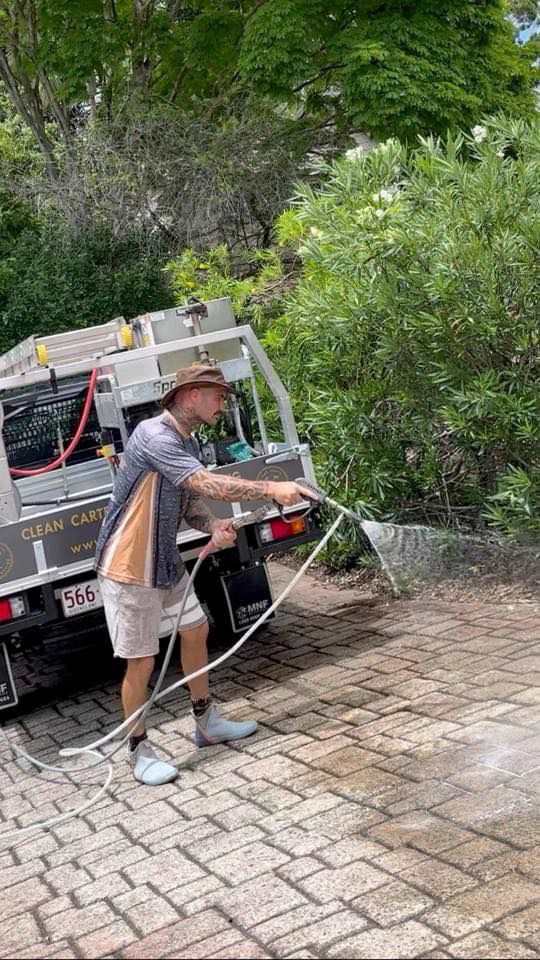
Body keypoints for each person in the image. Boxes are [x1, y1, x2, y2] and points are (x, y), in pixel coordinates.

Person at [95, 365, 314, 785]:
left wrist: (212, 527)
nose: (222, 404)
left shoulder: (187, 441)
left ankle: (206, 722)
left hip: (165, 562)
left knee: (195, 631)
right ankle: (139, 752)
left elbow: (191, 500)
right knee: (141, 661)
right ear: (192, 394)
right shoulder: (153, 436)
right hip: (129, 567)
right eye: (217, 397)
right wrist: (271, 489)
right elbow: (206, 483)